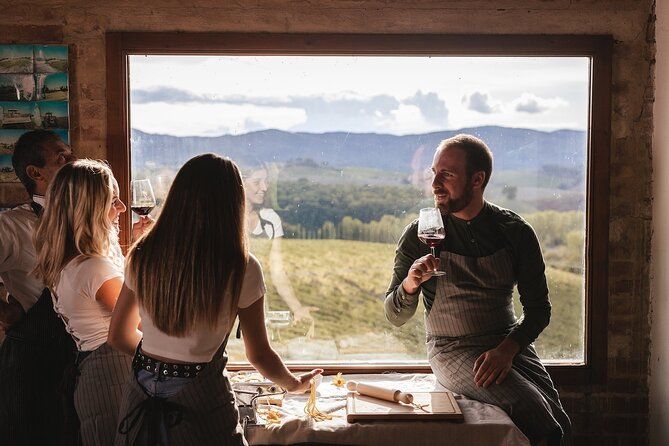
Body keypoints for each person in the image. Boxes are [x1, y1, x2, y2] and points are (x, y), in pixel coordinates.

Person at [109, 153, 321, 445]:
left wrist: (161, 363)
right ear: (233, 205)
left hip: (139, 392)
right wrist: (294, 384)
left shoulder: (143, 254)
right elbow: (258, 354)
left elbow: (118, 335)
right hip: (201, 399)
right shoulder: (241, 267)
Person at [384, 134, 572, 446]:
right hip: (452, 348)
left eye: (447, 175)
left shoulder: (515, 232)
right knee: (540, 420)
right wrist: (411, 283)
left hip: (507, 344)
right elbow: (394, 315)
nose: (434, 185)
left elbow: (539, 311)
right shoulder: (418, 235)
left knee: (559, 421)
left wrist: (507, 350)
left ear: (477, 179)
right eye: (434, 173)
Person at [33, 159, 150, 445]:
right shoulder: (93, 267)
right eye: (113, 200)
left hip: (95, 376)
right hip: (113, 378)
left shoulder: (72, 261)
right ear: (90, 208)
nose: (122, 207)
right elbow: (144, 323)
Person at [0, 130, 76, 445]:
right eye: (63, 157)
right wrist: (6, 312)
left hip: (75, 358)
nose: (74, 161)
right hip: (31, 365)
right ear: (36, 173)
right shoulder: (11, 226)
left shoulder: (82, 217)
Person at [243, 162, 284, 239]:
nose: (264, 188)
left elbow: (276, 251)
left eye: (266, 181)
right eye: (257, 182)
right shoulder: (223, 218)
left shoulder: (271, 217)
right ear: (242, 183)